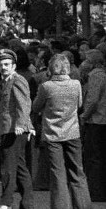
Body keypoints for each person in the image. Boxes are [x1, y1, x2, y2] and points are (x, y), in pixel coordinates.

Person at [32, 54, 90, 209]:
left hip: (53, 133)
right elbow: (79, 105)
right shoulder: (76, 84)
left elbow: (36, 107)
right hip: (72, 131)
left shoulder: (46, 86)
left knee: (58, 173)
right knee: (78, 172)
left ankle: (61, 206)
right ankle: (83, 205)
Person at [0, 48, 34, 209]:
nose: (3, 67)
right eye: (1, 64)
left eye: (7, 64)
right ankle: (27, 203)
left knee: (9, 166)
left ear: (14, 65)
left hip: (15, 129)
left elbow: (24, 104)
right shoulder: (5, 81)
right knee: (20, 167)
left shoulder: (18, 80)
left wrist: (21, 124)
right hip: (8, 128)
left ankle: (6, 202)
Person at [81, 49, 106, 202]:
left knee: (94, 157)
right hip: (101, 120)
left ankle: (96, 192)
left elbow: (93, 99)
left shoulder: (96, 76)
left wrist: (84, 115)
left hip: (97, 121)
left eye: (86, 60)